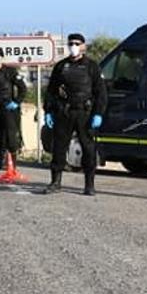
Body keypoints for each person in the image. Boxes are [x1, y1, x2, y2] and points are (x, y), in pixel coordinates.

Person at [44, 33, 107, 196]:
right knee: (59, 148)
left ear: (83, 46)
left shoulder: (92, 66)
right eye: (71, 43)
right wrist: (48, 111)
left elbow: (101, 93)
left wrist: (98, 114)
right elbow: (51, 91)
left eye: (77, 43)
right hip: (64, 112)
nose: (73, 46)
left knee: (88, 149)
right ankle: (55, 182)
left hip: (84, 114)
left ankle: (89, 185)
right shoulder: (61, 67)